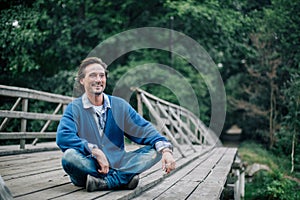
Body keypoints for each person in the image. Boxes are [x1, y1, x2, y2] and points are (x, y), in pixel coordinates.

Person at [56, 57, 176, 192]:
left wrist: (166, 150)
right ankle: (124, 179)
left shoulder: (119, 105)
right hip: (90, 165)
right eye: (93, 75)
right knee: (69, 157)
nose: (98, 80)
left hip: (119, 163)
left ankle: (105, 182)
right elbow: (63, 137)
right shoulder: (74, 108)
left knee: (156, 150)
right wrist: (94, 151)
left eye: (102, 76)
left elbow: (143, 129)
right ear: (82, 80)